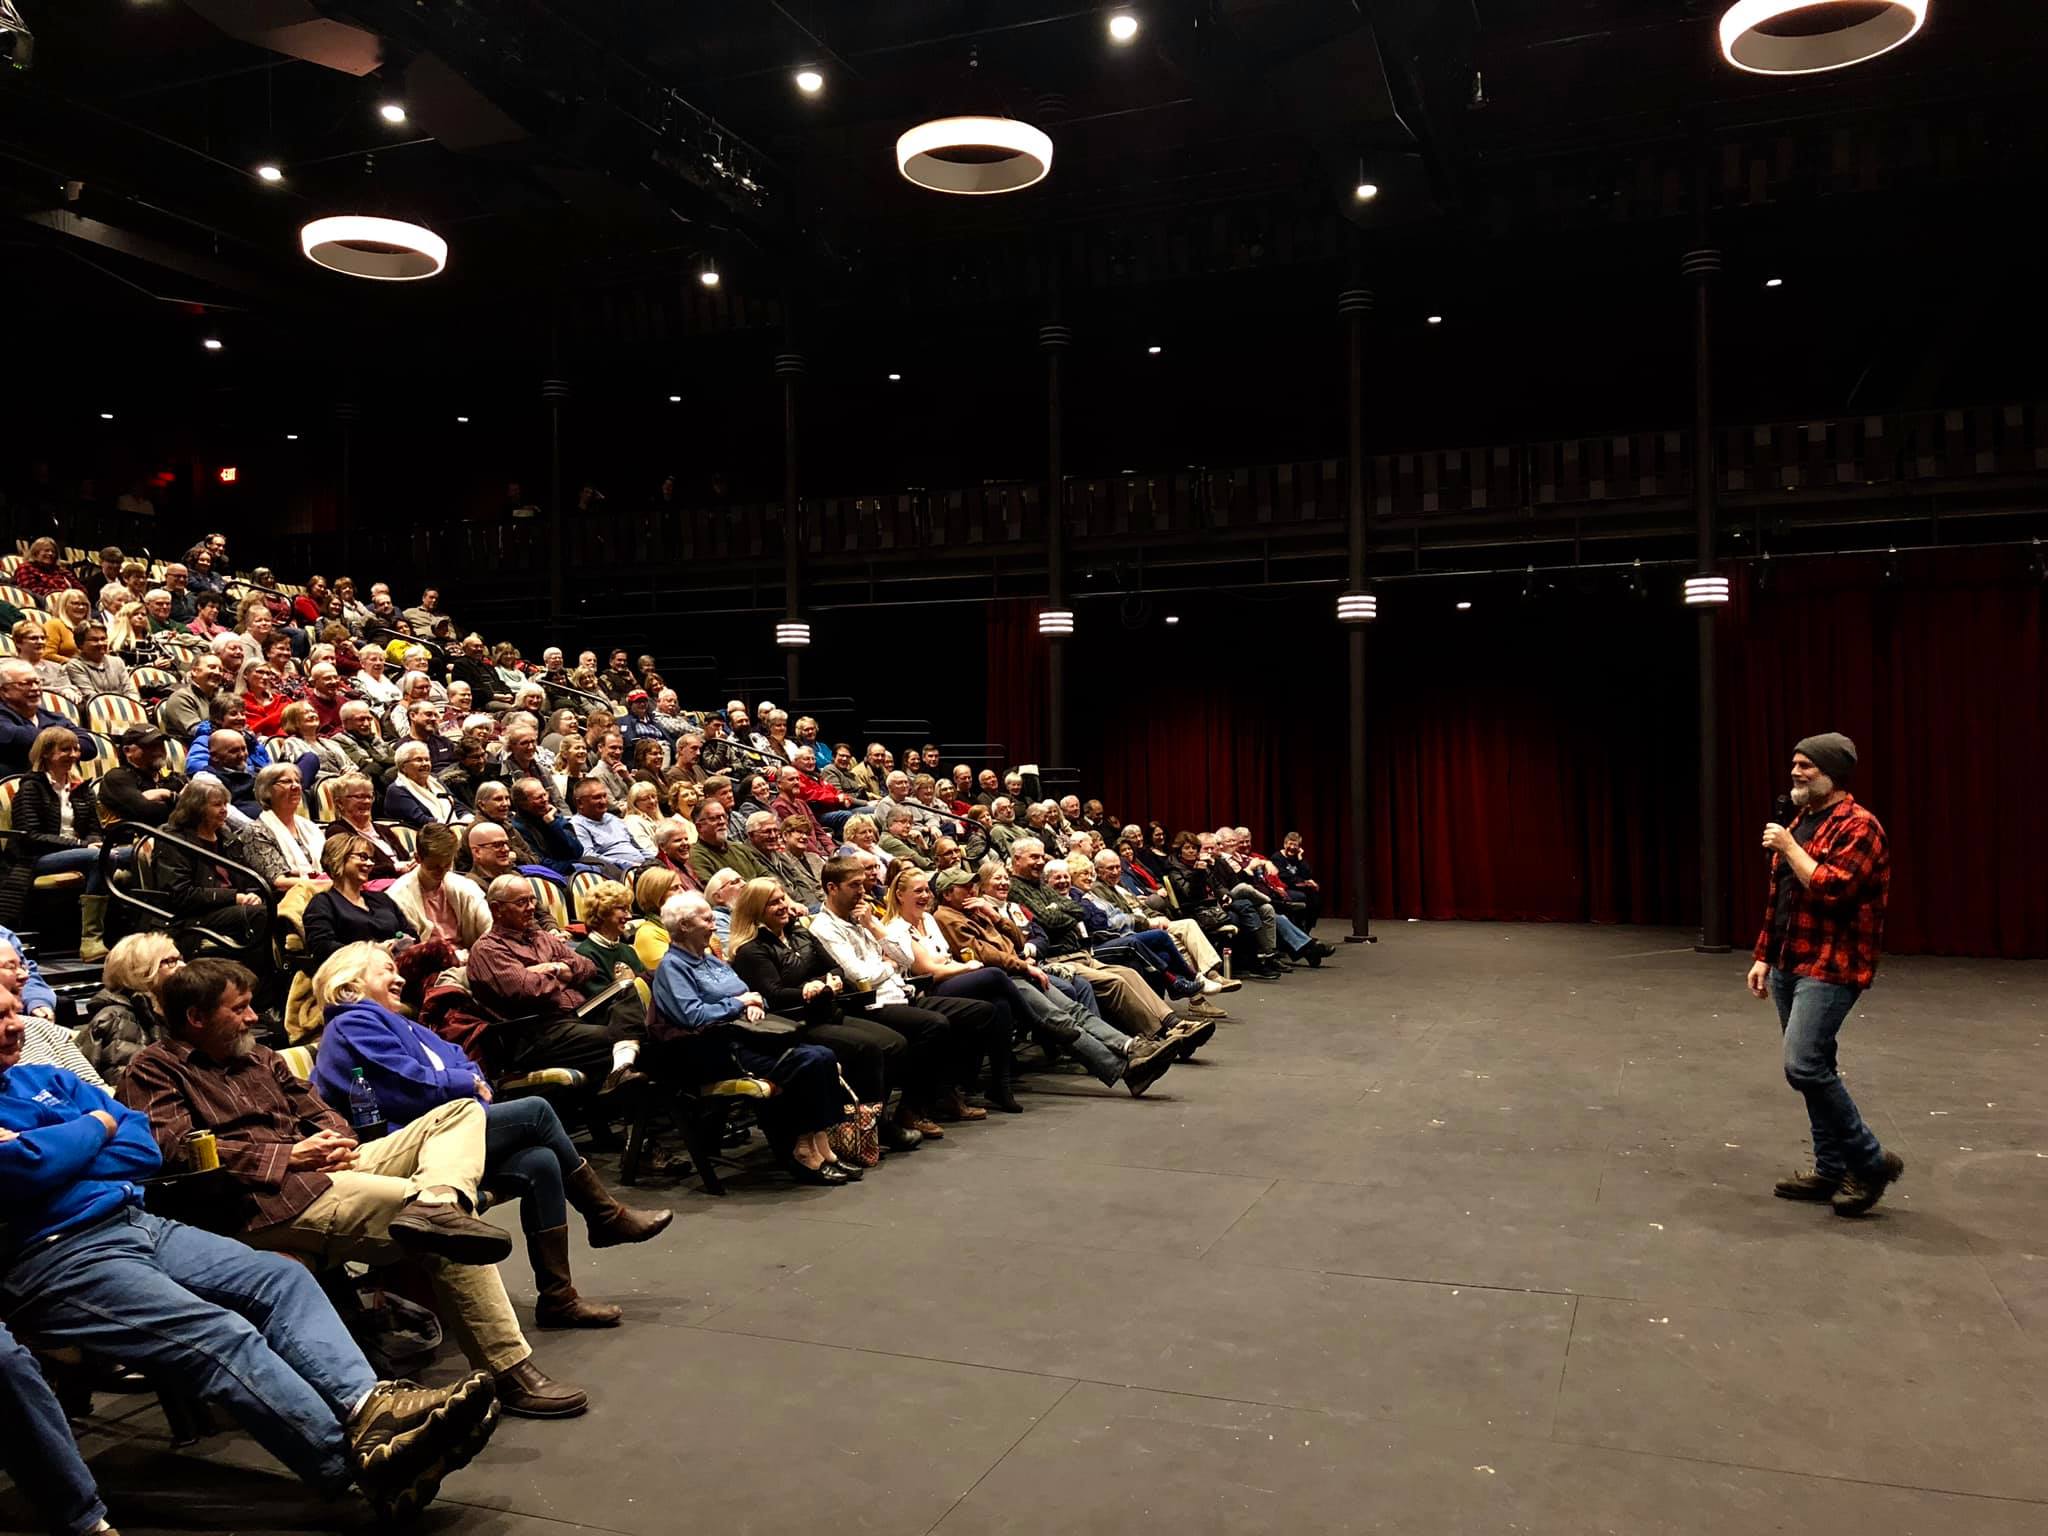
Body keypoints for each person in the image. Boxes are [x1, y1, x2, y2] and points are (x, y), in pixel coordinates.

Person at [1, 986, 503, 1521]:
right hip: (52, 1255)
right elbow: (19, 1175)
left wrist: (53, 1151)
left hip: (137, 1219)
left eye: (14, 1009)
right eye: (0, 1016)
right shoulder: (151, 1067)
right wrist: (91, 1130)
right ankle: (358, 1467)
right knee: (217, 1334)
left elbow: (139, 1147)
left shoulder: (42, 1079)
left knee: (279, 1281)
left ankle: (368, 1406)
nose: (17, 1025)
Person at [118, 958, 587, 1418]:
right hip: (262, 1202)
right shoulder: (152, 1069)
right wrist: (290, 1156)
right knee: (446, 1233)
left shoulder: (259, 1058)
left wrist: (337, 1141)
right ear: (195, 1018)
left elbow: (318, 1110)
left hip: (327, 1172)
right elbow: (173, 1150)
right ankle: (509, 1369)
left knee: (459, 1113)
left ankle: (439, 1200)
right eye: (238, 1008)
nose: (253, 1017)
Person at [309, 943, 671, 1330]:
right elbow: (407, 1084)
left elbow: (459, 1058)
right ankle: (604, 1216)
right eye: (385, 970)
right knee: (535, 1110)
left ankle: (559, 1298)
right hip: (406, 1146)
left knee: (540, 1162)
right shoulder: (352, 1022)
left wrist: (465, 1079)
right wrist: (465, 1082)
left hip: (446, 1130)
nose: (399, 978)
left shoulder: (402, 1022)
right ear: (350, 983)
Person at [1747, 732, 1904, 1216]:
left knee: (1803, 1065)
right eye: (1793, 763)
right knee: (1817, 1067)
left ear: (1832, 773)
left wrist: (1791, 847)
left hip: (1833, 966)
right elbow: (1783, 900)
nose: (1795, 772)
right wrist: (1763, 955)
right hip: (1791, 961)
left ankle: (1871, 1160)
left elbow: (1832, 888)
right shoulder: (1799, 820)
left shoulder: (1860, 827)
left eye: (1806, 765)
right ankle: (1830, 1167)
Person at [646, 891, 852, 1184]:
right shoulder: (672, 967)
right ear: (683, 926)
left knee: (824, 1056)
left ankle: (819, 1144)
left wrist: (754, 1003)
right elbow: (692, 1016)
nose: (713, 923)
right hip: (715, 1049)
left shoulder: (711, 960)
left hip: (749, 1037)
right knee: (809, 1061)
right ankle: (804, 1148)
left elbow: (754, 994)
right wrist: (739, 1004)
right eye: (705, 918)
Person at [932, 866, 1177, 1097]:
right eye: (964, 887)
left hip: (1018, 971)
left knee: (1074, 1009)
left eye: (973, 885)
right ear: (947, 893)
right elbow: (986, 956)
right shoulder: (947, 918)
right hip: (998, 980)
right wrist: (1024, 965)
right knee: (1060, 1019)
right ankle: (1124, 1070)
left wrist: (995, 917)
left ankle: (1129, 1046)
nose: (972, 891)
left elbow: (1018, 941)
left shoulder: (977, 912)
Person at [466, 876, 646, 1088]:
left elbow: (587, 967)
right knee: (623, 1037)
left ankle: (620, 1078)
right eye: (521, 902)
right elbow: (531, 990)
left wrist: (554, 968)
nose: (531, 908)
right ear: (497, 909)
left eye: (533, 900)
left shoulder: (541, 936)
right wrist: (562, 974)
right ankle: (620, 1083)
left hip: (580, 1014)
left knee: (628, 992)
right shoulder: (488, 950)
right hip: (539, 1031)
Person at [880, 865, 1024, 1112]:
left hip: (947, 980)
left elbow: (945, 958)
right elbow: (930, 970)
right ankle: (1036, 1021)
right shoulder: (895, 928)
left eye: (927, 890)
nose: (925, 896)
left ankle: (1000, 1086)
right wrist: (967, 968)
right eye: (918, 891)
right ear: (900, 895)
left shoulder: (928, 919)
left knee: (998, 1004)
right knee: (994, 975)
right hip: (924, 990)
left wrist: (959, 966)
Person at [1, 727, 107, 949]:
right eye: (65, 750)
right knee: (98, 857)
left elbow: (94, 829)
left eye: (76, 749)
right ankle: (91, 939)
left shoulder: (81, 788)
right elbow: (31, 837)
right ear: (47, 754)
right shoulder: (31, 787)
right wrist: (83, 845)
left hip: (80, 851)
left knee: (130, 854)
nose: (74, 755)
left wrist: (92, 842)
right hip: (36, 857)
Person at [152, 779, 270, 950]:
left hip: (230, 908)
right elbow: (181, 895)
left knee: (277, 905)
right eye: (217, 805)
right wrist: (234, 897)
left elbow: (248, 879)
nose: (224, 811)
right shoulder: (174, 841)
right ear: (196, 809)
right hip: (192, 916)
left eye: (225, 804)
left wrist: (253, 895)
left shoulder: (228, 839)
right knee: (261, 914)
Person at [74, 930, 183, 1090]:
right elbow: (129, 1090)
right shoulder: (118, 1020)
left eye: (180, 959)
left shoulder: (170, 1011)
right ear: (141, 970)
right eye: (171, 961)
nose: (183, 967)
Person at [303, 833, 415, 963]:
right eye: (363, 857)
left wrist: (403, 942)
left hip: (400, 966)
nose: (370, 863)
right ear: (339, 857)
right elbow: (322, 948)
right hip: (356, 974)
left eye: (371, 859)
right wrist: (375, 952)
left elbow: (412, 935)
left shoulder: (382, 899)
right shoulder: (323, 903)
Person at [390, 823, 492, 959]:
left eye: (447, 864)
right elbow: (410, 951)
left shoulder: (466, 887)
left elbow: (489, 930)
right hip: (428, 964)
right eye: (434, 866)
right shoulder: (398, 895)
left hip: (471, 958)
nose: (441, 871)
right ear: (417, 858)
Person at [242, 763, 330, 897]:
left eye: (297, 781)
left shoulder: (310, 827)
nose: (296, 786)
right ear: (266, 790)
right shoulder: (257, 831)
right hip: (288, 899)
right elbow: (279, 882)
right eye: (286, 782)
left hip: (323, 892)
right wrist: (327, 885)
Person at [1, 657, 89, 775]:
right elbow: (16, 736)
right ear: (4, 691)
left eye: (37, 682)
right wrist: (65, 741)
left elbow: (88, 746)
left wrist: (52, 745)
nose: (35, 688)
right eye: (25, 683)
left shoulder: (54, 717)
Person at [385, 739, 466, 828]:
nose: (425, 764)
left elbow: (456, 805)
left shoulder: (435, 780)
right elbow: (421, 820)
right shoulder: (396, 791)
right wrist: (454, 826)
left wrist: (467, 818)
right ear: (403, 766)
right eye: (418, 760)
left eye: (427, 759)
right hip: (427, 836)